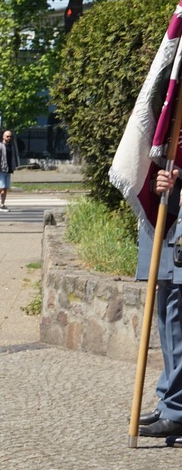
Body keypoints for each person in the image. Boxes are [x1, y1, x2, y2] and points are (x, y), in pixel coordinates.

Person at [135, 167, 182, 439]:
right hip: (171, 227)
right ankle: (169, 399)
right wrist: (158, 182)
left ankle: (177, 409)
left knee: (177, 319)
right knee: (167, 319)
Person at [0, 130, 15, 212]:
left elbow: (11, 158)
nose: (9, 138)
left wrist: (13, 167)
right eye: (7, 136)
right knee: (1, 186)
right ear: (3, 137)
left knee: (5, 188)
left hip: (8, 170)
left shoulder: (11, 146)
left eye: (10, 136)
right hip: (1, 170)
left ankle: (2, 205)